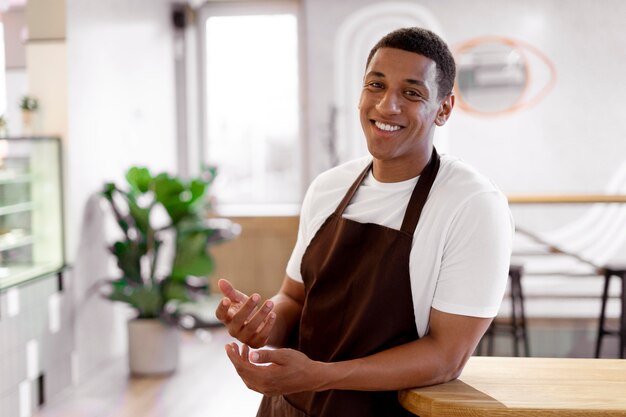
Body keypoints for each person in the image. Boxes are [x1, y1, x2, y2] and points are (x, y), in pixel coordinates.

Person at [216, 27, 514, 417]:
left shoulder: (472, 205)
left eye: (412, 92)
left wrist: (322, 375)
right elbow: (295, 299)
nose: (387, 106)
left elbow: (446, 357)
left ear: (443, 109)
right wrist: (260, 324)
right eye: (376, 85)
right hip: (290, 405)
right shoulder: (328, 188)